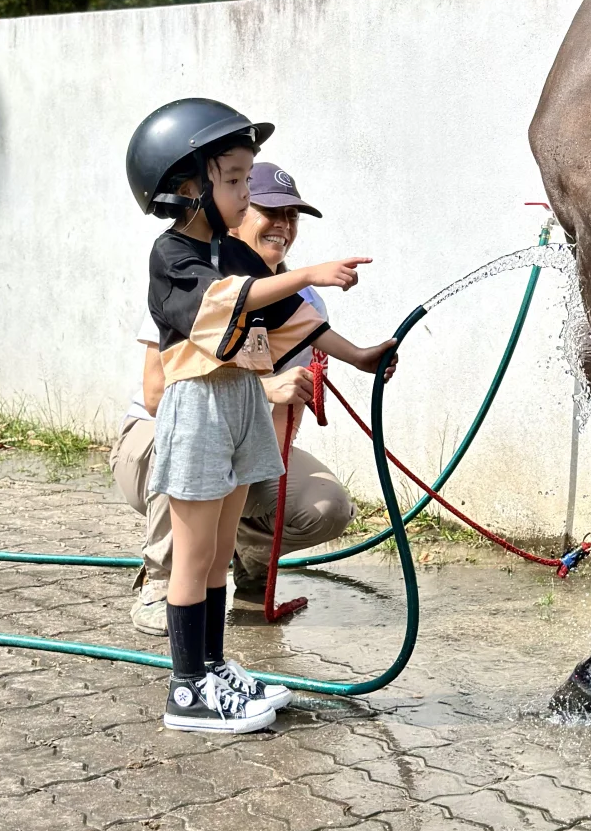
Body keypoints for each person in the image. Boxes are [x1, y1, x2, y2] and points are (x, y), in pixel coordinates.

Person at [125, 97, 396, 734]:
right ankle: (186, 688)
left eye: (248, 178)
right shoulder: (173, 257)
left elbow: (290, 318)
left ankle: (215, 667)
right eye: (235, 180)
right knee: (193, 557)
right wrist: (310, 272)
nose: (247, 194)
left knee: (219, 551)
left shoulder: (236, 252)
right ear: (187, 189)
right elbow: (228, 304)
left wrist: (358, 356)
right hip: (198, 408)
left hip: (243, 402)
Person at [111, 162, 357, 635]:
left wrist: (366, 357)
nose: (283, 225)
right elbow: (160, 396)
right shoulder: (189, 273)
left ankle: (247, 559)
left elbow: (283, 427)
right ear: (232, 210)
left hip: (238, 437)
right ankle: (161, 582)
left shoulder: (303, 302)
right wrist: (262, 387)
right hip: (157, 436)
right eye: (270, 209)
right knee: (186, 439)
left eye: (293, 215)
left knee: (323, 503)